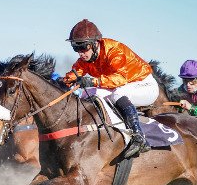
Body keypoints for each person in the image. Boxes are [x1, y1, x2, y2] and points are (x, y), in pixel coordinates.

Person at [61, 19, 159, 158]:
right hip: (122, 86)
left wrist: (93, 81)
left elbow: (120, 79)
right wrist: (61, 82)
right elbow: (75, 74)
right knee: (87, 94)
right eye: (76, 48)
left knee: (118, 93)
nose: (80, 53)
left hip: (144, 85)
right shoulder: (86, 59)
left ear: (95, 43)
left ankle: (138, 137)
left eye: (83, 47)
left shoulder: (114, 51)